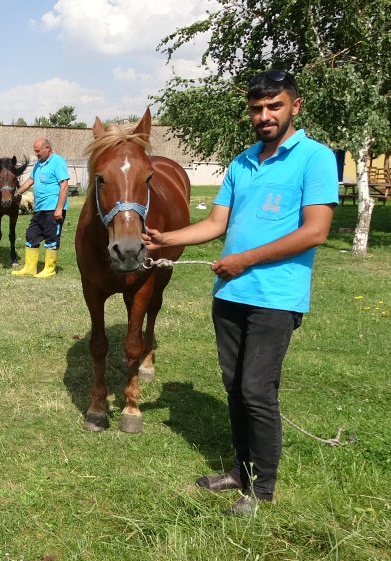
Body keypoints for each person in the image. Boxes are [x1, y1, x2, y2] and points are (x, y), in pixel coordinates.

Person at [142, 70, 337, 516]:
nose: (265, 116)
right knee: (234, 387)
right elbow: (215, 225)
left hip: (276, 296)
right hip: (230, 293)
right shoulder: (242, 161)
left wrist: (244, 259)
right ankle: (240, 470)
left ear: (295, 107)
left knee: (256, 390)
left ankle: (261, 489)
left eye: (275, 106)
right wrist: (164, 237)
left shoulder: (315, 158)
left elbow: (316, 231)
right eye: (257, 109)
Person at [11, 138, 70, 278]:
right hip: (39, 209)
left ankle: (49, 270)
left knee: (51, 238)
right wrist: (17, 193)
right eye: (35, 151)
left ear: (47, 148)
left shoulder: (58, 162)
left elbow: (64, 185)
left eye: (38, 151)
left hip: (53, 209)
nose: (36, 154)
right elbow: (30, 181)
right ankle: (30, 268)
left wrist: (59, 209)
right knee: (31, 235)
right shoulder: (39, 164)